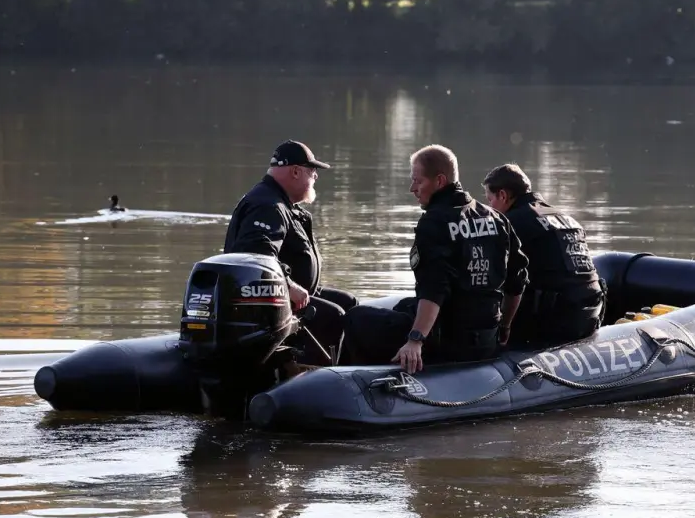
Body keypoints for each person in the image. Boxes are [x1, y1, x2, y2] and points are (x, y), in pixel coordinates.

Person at [341, 144, 527, 372]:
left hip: (446, 341)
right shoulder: (497, 219)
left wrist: (415, 339)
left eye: (418, 181)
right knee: (403, 306)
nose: (412, 188)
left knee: (356, 317)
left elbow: (434, 287)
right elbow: (517, 281)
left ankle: (360, 381)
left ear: (439, 181)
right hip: (487, 338)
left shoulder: (435, 222)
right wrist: (504, 328)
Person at [224, 140, 357, 365]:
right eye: (311, 170)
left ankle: (350, 371)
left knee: (347, 302)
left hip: (292, 295)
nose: (316, 176)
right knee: (332, 315)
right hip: (269, 303)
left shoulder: (281, 203)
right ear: (295, 172)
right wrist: (289, 285)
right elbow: (254, 254)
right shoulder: (268, 205)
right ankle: (314, 377)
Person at [482, 163, 605, 350]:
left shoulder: (510, 223)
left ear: (503, 195)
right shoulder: (566, 218)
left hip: (555, 322)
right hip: (591, 314)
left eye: (490, 200)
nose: (489, 207)